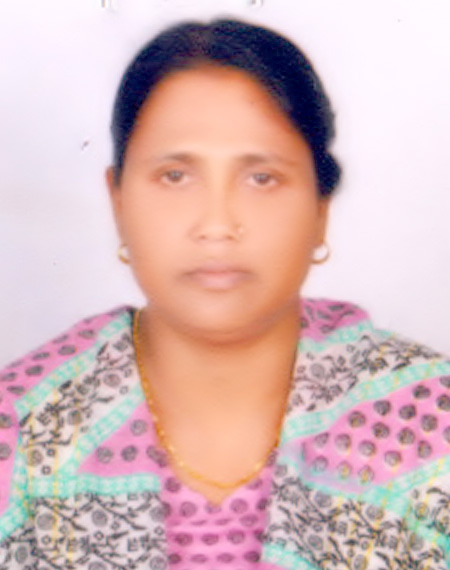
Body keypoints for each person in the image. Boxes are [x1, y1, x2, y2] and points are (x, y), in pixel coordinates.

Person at [1, 17, 449, 570]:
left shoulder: (429, 426)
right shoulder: (21, 426)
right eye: (175, 176)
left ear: (320, 209)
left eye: (261, 178)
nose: (216, 225)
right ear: (118, 201)